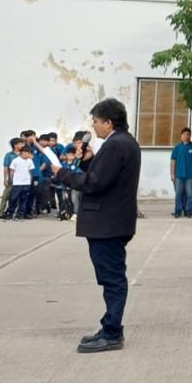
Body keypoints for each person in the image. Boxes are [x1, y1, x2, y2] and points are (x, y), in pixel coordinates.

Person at [49, 98, 142, 353]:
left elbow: (95, 184)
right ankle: (110, 326)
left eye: (96, 121)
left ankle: (112, 331)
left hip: (108, 223)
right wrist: (90, 161)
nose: (94, 126)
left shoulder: (116, 144)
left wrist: (63, 174)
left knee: (112, 278)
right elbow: (103, 176)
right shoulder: (121, 143)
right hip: (112, 221)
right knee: (110, 277)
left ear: (108, 122)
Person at [0, 138, 24, 221]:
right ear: (15, 145)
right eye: (20, 144)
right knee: (6, 195)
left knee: (16, 197)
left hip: (21, 179)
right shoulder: (9, 155)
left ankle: (14, 212)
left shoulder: (24, 154)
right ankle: (1, 212)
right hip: (11, 178)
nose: (22, 146)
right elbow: (6, 167)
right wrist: (5, 179)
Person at [171, 127, 192, 218]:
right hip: (179, 175)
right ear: (181, 136)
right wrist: (172, 174)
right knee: (178, 194)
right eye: (184, 134)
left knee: (190, 194)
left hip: (190, 175)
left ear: (190, 136)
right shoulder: (177, 147)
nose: (186, 136)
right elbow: (173, 161)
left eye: (188, 134)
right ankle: (178, 210)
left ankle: (188, 210)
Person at [5, 147, 36, 221]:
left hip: (26, 183)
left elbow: (31, 171)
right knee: (13, 199)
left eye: (28, 153)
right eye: (25, 152)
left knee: (24, 199)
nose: (27, 154)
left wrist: (31, 181)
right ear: (21, 152)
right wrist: (11, 179)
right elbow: (12, 171)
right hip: (17, 183)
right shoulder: (15, 160)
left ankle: (20, 214)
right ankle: (10, 213)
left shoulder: (30, 161)